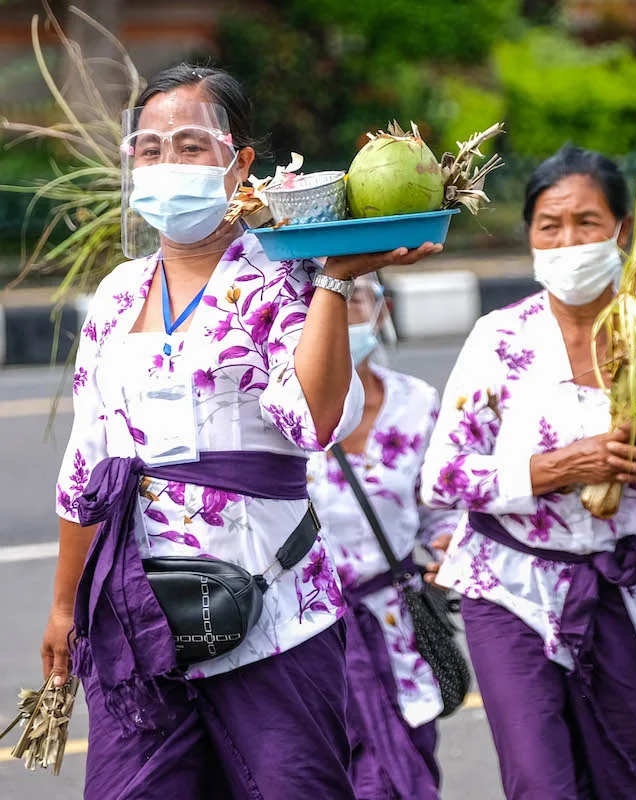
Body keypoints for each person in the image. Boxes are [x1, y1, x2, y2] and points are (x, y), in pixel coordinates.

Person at [40, 64, 441, 799]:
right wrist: (67, 604)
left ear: (239, 164)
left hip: (274, 615)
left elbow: (314, 420)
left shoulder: (278, 279)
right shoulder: (118, 292)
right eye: (151, 149)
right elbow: (87, 463)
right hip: (135, 620)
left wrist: (336, 278)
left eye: (191, 146)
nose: (167, 164)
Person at [420, 144, 636, 800]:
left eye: (588, 222)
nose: (569, 240)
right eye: (550, 225)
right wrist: (558, 467)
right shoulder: (499, 339)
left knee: (630, 782)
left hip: (629, 592)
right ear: (531, 236)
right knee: (541, 784)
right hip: (510, 592)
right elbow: (444, 478)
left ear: (621, 230)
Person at [307, 276, 459, 800]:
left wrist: (448, 550)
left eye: (355, 299)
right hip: (309, 635)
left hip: (399, 634)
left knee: (406, 770)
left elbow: (438, 510)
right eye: (328, 300)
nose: (342, 314)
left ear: (381, 309)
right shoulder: (278, 410)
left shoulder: (419, 404)